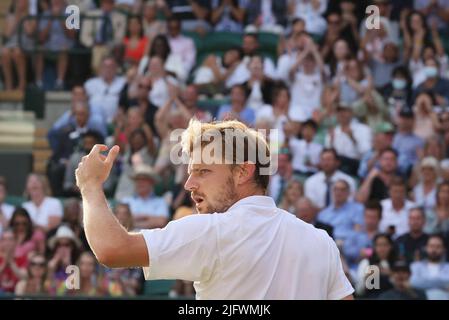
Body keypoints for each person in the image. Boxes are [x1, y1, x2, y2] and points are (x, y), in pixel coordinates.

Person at [75, 119, 354, 299]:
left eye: (203, 171)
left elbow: (112, 249)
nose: (188, 184)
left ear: (243, 171)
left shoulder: (213, 231)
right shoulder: (321, 242)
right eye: (190, 172)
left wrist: (89, 185)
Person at [122, 165, 169, 230]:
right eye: (137, 180)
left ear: (151, 183)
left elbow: (161, 222)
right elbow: (121, 220)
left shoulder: (160, 202)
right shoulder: (126, 201)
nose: (140, 182)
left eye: (143, 179)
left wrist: (133, 222)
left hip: (151, 239)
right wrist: (149, 218)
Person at [410, 234, 449, 300]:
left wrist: (424, 282)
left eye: (438, 247)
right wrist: (442, 285)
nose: (434, 250)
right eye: (431, 246)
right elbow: (414, 282)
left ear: (444, 249)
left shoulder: (447, 267)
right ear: (426, 248)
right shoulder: (416, 266)